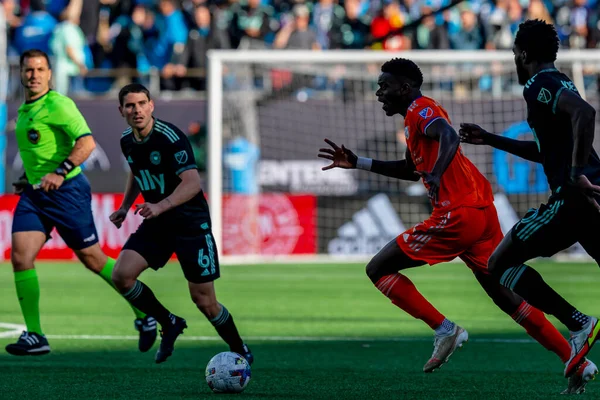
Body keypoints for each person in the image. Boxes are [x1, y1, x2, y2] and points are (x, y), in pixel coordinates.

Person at [318, 57, 596, 394]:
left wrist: (436, 174)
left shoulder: (421, 109)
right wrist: (359, 163)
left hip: (457, 215)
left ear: (405, 88)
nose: (379, 93)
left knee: (378, 269)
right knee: (506, 295)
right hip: (480, 210)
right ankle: (576, 360)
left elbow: (448, 135)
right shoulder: (413, 117)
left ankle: (444, 329)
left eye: (384, 86)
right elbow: (411, 169)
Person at [459, 19, 600, 380]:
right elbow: (545, 150)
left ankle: (578, 322)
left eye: (513, 54)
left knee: (499, 264)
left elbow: (586, 113)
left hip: (573, 197)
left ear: (522, 53)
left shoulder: (539, 83)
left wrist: (574, 174)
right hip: (591, 195)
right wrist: (490, 138)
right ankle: (579, 340)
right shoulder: (560, 81)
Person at [6, 49, 156, 356]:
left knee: (93, 259)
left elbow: (86, 142)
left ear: (50, 73)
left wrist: (60, 173)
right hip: (36, 195)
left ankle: (146, 313)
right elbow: (41, 153)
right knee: (21, 256)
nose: (33, 75)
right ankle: (35, 335)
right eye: (28, 70)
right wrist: (28, 178)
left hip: (66, 192)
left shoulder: (59, 104)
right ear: (21, 73)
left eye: (39, 69)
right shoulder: (25, 110)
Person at [110, 83, 253, 365]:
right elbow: (136, 171)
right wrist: (126, 207)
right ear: (121, 111)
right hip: (158, 222)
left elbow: (192, 183)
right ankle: (169, 321)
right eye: (130, 105)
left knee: (204, 301)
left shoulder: (170, 137)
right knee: (121, 275)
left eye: (141, 104)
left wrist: (159, 205)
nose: (136, 110)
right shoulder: (127, 140)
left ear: (152, 106)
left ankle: (240, 348)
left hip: (190, 223)